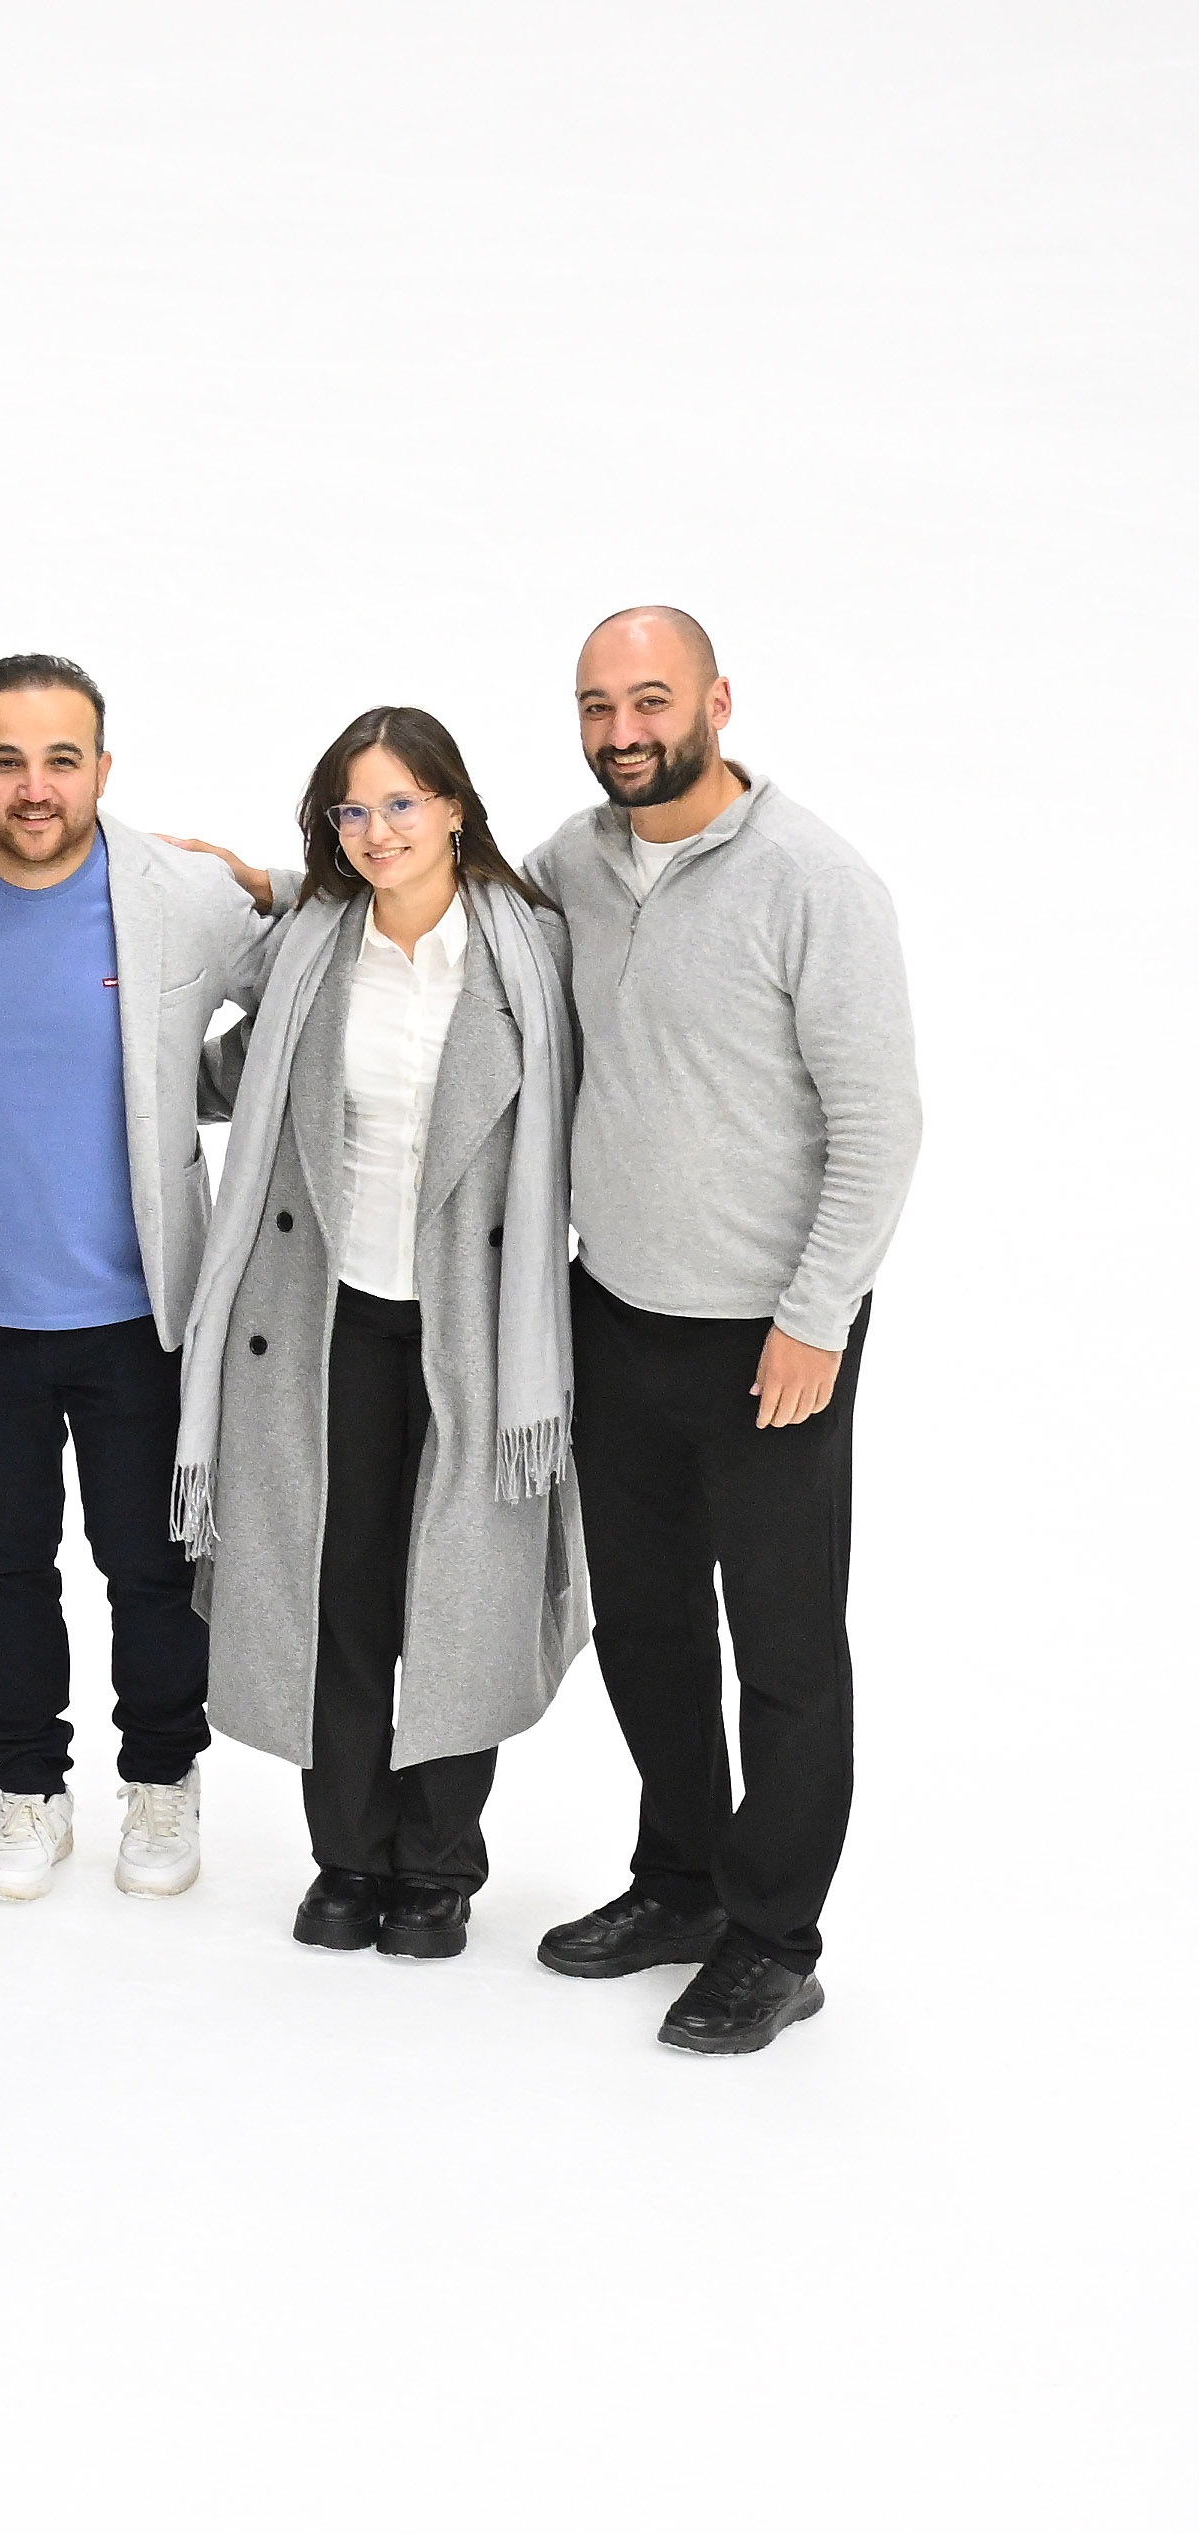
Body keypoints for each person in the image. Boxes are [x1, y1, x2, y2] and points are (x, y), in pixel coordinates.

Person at [524, 608, 917, 2053]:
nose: (623, 730)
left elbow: (881, 1124)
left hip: (774, 1335)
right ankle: (679, 1880)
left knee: (787, 1649)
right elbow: (447, 905)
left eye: (649, 701)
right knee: (642, 1622)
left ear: (716, 702)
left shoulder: (816, 881)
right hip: (616, 1312)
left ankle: (773, 1937)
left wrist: (816, 1322)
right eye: (595, 706)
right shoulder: (577, 859)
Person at [0, 654, 276, 1903]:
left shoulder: (178, 893)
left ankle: (161, 1779)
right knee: (3, 1567)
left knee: (150, 1565)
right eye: (6, 759)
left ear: (102, 768)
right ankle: (26, 1790)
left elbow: (310, 982)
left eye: (59, 759)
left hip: (142, 1312)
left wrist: (195, 1077)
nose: (34, 787)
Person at [172, 710, 582, 1962]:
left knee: (461, 1595)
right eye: (350, 813)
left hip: (481, 1326)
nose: (376, 833)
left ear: (455, 807)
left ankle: (439, 1871)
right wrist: (224, 891)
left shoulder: (535, 952)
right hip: (323, 1313)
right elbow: (210, 1068)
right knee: (336, 1591)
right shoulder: (307, 947)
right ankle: (345, 1857)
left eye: (400, 805)